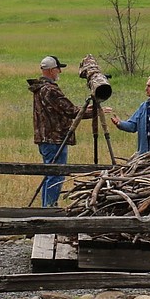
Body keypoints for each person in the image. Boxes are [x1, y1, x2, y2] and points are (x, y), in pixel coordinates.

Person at [28, 55, 89, 207]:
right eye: (57, 69)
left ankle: (46, 208)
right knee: (56, 175)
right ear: (50, 70)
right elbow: (71, 111)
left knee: (50, 174)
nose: (59, 72)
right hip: (54, 138)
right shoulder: (50, 90)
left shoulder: (39, 88)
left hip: (45, 138)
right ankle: (49, 209)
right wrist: (93, 110)